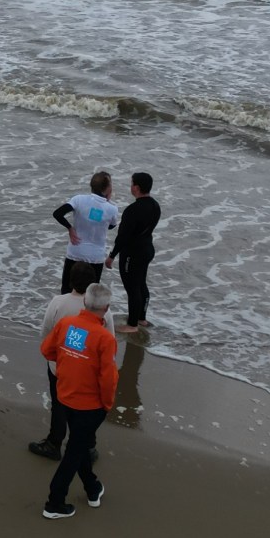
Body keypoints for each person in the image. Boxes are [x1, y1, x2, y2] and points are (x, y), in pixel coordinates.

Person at [41, 282, 119, 519]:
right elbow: (108, 379)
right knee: (74, 452)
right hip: (90, 406)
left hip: (65, 396)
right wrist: (107, 404)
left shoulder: (66, 324)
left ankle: (93, 488)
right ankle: (54, 502)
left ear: (85, 302)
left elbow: (47, 350)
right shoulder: (105, 338)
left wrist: (70, 363)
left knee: (79, 444)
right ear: (106, 308)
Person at [26, 264, 94, 460]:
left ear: (70, 281)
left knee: (59, 404)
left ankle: (54, 443)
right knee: (85, 408)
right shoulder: (101, 310)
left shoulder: (58, 302)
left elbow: (46, 333)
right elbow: (109, 340)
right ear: (93, 284)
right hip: (86, 370)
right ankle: (87, 447)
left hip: (60, 366)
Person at [109, 171, 159, 333]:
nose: (130, 187)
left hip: (132, 253)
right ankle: (141, 318)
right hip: (147, 249)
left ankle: (132, 325)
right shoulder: (155, 206)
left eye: (131, 184)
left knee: (132, 288)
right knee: (141, 283)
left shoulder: (133, 209)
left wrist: (111, 256)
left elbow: (122, 236)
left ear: (136, 188)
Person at [54, 171, 121, 293]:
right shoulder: (112, 209)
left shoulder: (79, 199)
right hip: (95, 257)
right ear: (107, 189)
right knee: (90, 296)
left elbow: (57, 214)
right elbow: (111, 226)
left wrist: (70, 228)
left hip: (75, 252)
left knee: (67, 291)